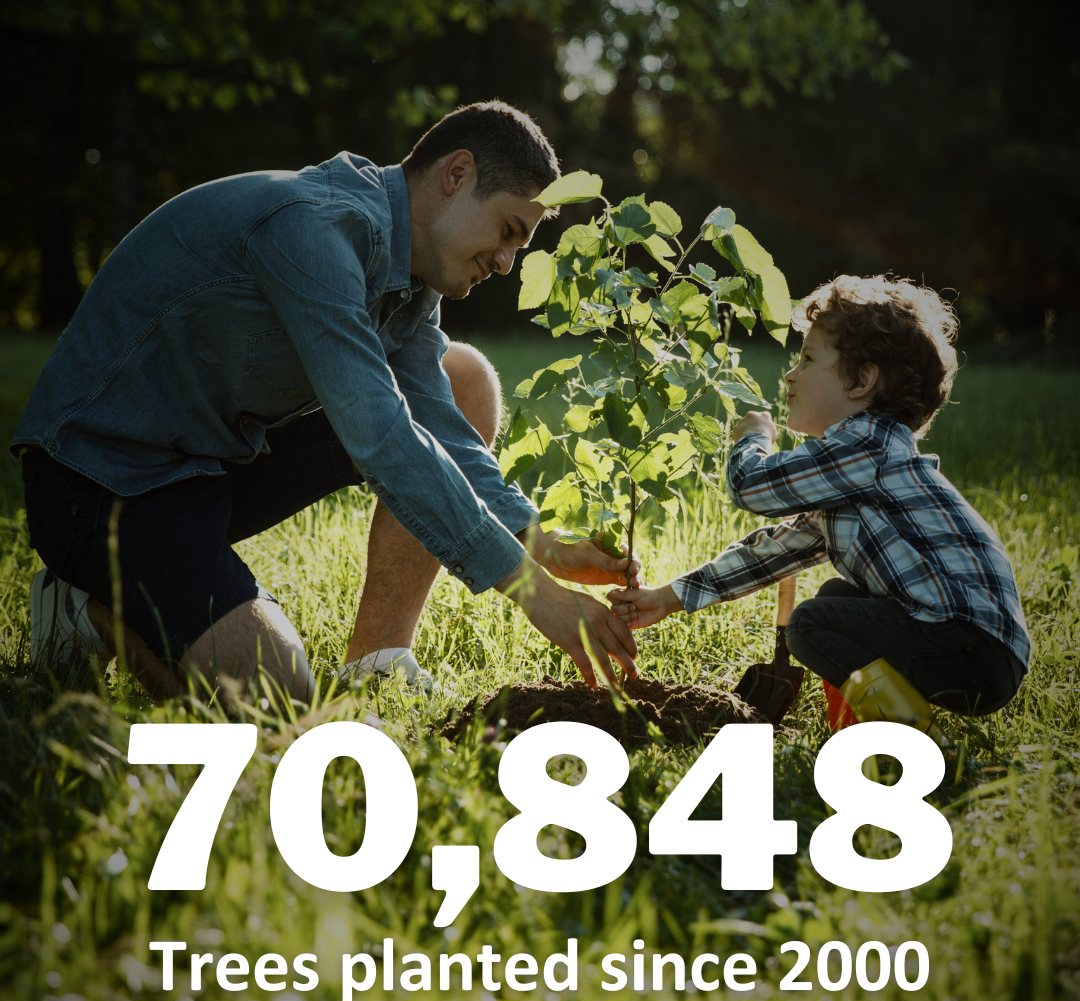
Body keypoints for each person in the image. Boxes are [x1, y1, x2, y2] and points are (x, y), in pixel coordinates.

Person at [14, 101, 640, 702]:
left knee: (461, 378)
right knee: (279, 696)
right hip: (102, 484)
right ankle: (89, 606)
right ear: (457, 174)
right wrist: (534, 592)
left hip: (212, 463)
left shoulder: (410, 276)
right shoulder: (314, 228)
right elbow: (382, 434)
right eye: (509, 231)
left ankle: (377, 663)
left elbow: (438, 423)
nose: (507, 262)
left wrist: (537, 540)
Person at [608, 275, 1029, 727]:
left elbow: (751, 486)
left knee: (812, 623)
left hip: (969, 644)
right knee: (835, 599)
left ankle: (903, 733)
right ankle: (862, 723)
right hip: (977, 649)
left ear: (862, 380)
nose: (790, 374)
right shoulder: (857, 473)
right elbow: (772, 553)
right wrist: (668, 598)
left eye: (807, 359)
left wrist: (753, 437)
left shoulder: (868, 447)